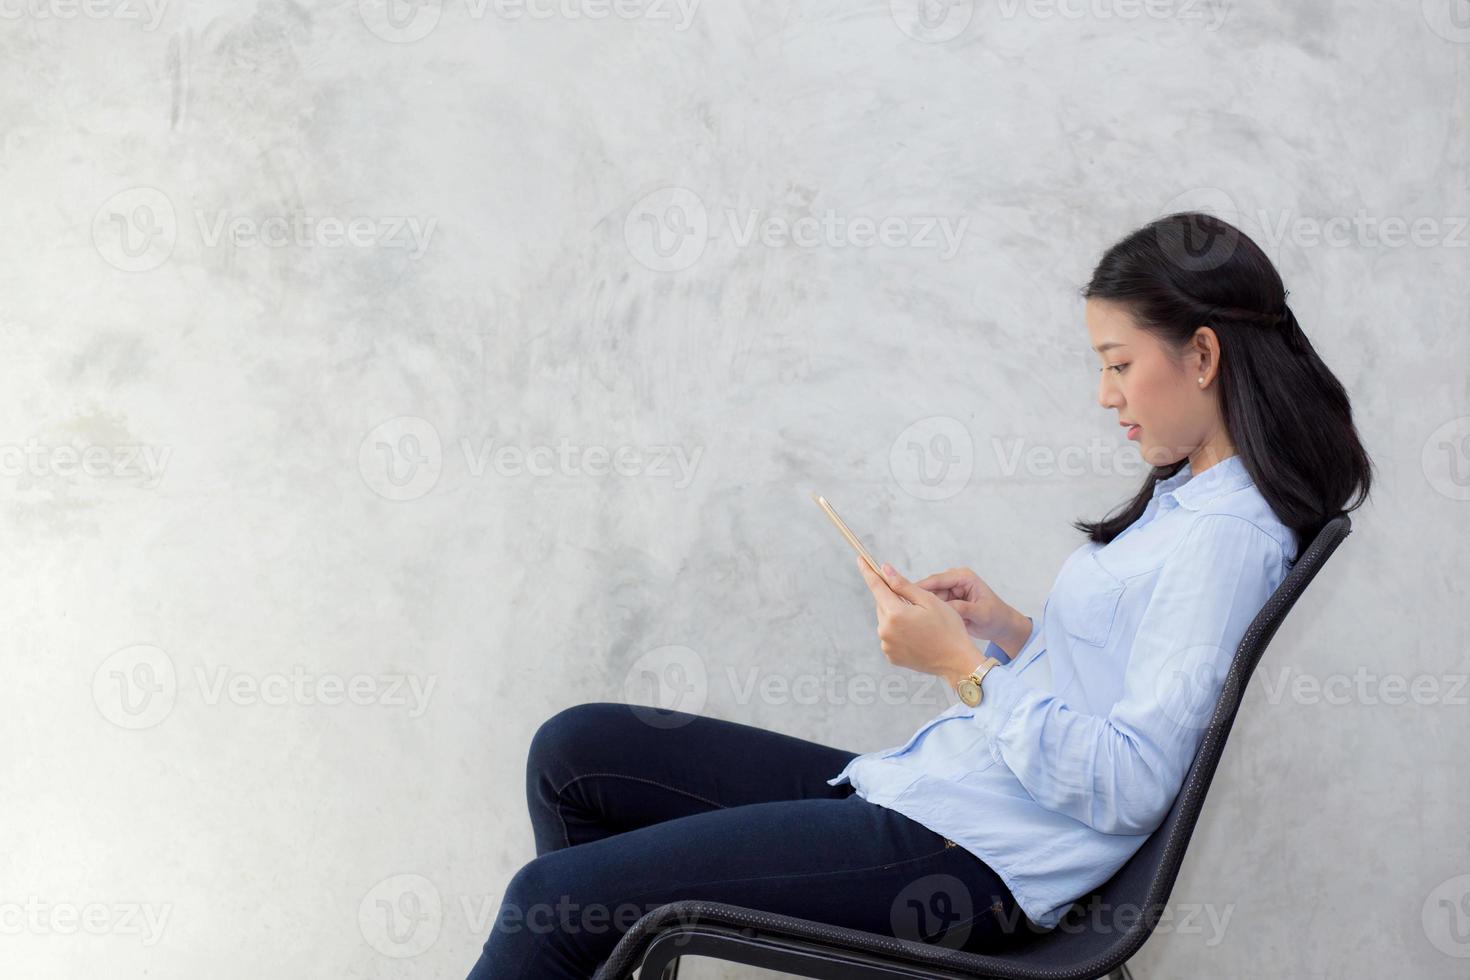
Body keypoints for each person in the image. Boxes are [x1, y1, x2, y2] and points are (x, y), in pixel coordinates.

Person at [464, 211, 1374, 979]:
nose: (1104, 395)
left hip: (970, 860)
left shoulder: (1226, 538)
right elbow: (1117, 683)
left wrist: (964, 670)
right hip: (942, 796)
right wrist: (1009, 632)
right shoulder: (1189, 502)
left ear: (1203, 354)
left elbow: (1128, 784)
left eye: (1118, 362)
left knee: (551, 903)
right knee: (574, 752)